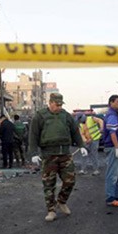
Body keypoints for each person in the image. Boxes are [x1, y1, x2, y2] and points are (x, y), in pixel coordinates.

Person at [27, 93, 87, 222]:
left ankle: (61, 201)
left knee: (70, 180)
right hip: (48, 155)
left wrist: (81, 145)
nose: (59, 107)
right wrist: (33, 153)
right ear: (50, 102)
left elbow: (75, 131)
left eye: (61, 104)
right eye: (57, 104)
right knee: (49, 184)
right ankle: (51, 210)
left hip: (65, 153)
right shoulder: (40, 116)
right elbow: (33, 136)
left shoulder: (66, 116)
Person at [78, 112, 105, 176]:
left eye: (80, 119)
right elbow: (81, 134)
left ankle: (96, 170)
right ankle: (83, 169)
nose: (79, 121)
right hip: (87, 140)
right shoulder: (80, 125)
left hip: (95, 139)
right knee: (84, 154)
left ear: (83, 117)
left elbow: (100, 121)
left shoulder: (91, 118)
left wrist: (101, 127)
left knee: (94, 153)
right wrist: (85, 140)